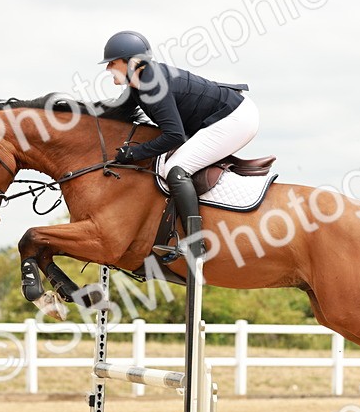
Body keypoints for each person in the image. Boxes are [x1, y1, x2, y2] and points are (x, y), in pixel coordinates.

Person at [100, 30, 260, 257]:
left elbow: (174, 136)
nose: (107, 69)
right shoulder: (139, 83)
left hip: (236, 118)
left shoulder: (154, 85)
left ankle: (196, 243)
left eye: (112, 63)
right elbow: (112, 114)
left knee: (175, 169)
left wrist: (134, 153)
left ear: (133, 62)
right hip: (223, 115)